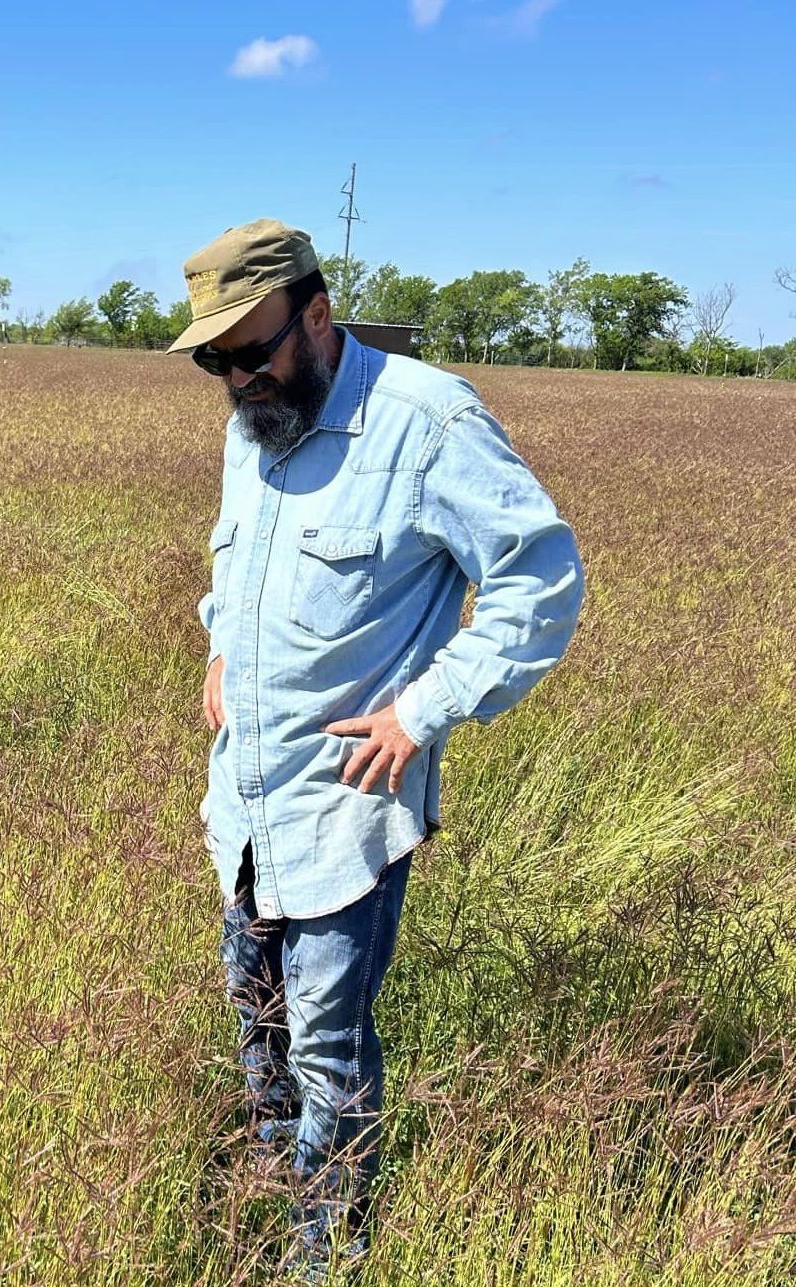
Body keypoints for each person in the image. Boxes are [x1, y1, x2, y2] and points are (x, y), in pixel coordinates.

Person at [172, 220, 583, 1269]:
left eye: (249, 350)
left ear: (314, 314)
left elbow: (537, 582)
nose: (232, 376)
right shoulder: (253, 416)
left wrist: (424, 708)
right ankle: (272, 1199)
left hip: (343, 812)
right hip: (246, 802)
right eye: (212, 361)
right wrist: (221, 647)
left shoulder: (425, 421)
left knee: (326, 1048)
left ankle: (325, 1253)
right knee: (256, 1028)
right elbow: (241, 569)